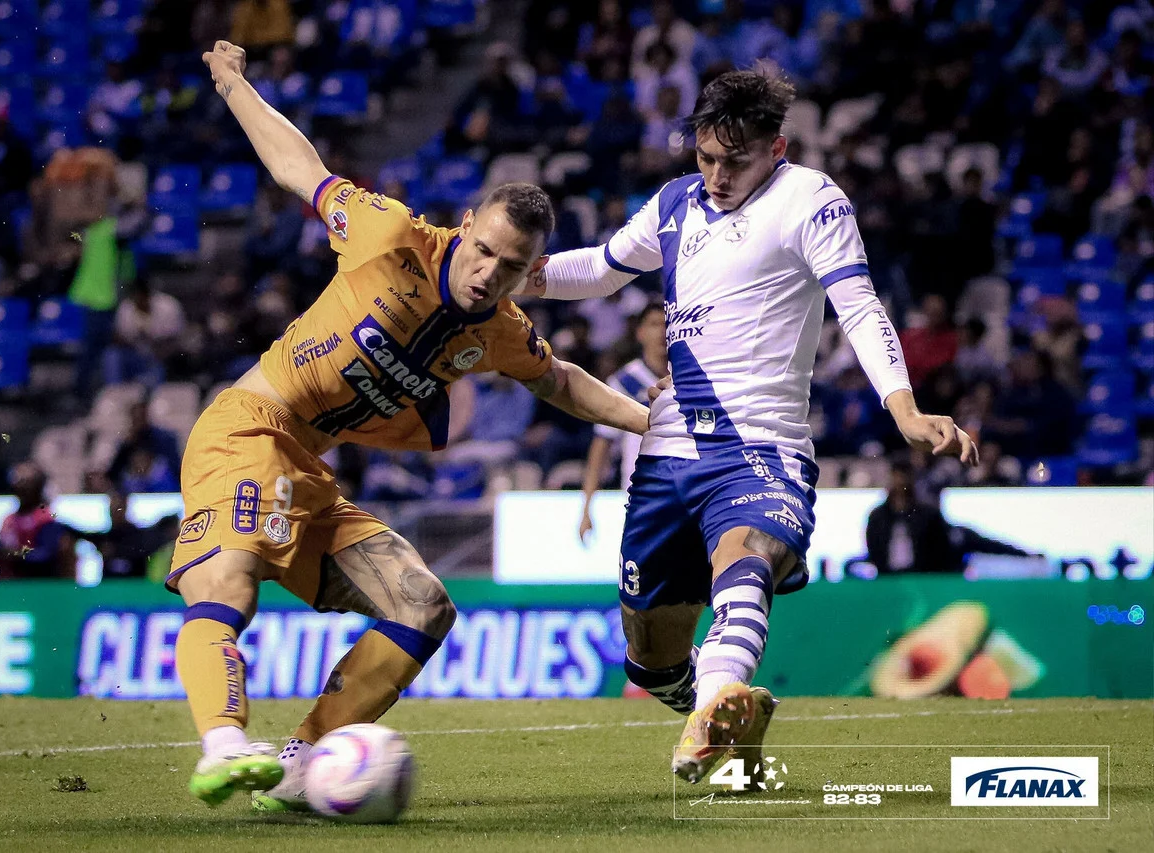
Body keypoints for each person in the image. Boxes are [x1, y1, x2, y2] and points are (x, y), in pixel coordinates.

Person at [173, 40, 650, 812]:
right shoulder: (388, 234)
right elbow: (302, 170)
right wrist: (232, 84)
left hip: (307, 469)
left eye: (509, 266)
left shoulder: (501, 327)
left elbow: (558, 381)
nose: (487, 272)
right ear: (465, 226)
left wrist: (649, 423)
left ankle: (299, 762)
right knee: (228, 576)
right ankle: (226, 747)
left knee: (422, 605)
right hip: (248, 429)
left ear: (533, 271)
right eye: (483, 249)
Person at [524, 69, 978, 787]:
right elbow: (603, 268)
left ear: (777, 147)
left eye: (734, 160)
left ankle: (713, 710)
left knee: (747, 558)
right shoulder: (676, 203)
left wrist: (904, 409)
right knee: (649, 654)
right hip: (666, 453)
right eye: (705, 157)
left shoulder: (811, 198)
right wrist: (514, 274)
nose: (716, 174)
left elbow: (857, 305)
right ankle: (722, 705)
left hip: (760, 444)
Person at [579, 302, 667, 541]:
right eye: (654, 324)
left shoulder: (691, 377)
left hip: (689, 488)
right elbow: (602, 444)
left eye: (667, 324)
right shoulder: (624, 382)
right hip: (640, 492)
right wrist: (587, 506)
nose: (662, 332)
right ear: (640, 332)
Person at [865, 460, 1034, 574]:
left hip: (924, 581)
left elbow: (944, 549)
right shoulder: (878, 518)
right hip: (887, 582)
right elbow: (874, 551)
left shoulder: (928, 516)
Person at [0, 462, 78, 580]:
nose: (21, 487)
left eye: (26, 483)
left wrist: (15, 554)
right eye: (18, 482)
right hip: (9, 585)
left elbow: (47, 555)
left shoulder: (45, 519)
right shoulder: (9, 521)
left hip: (39, 584)